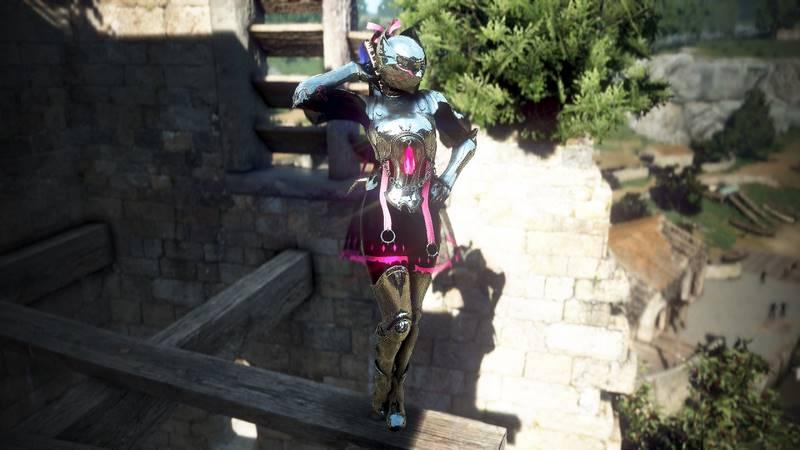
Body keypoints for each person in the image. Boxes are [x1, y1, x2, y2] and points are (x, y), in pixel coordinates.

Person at [292, 20, 477, 431]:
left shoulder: (433, 102)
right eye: (406, 64)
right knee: (399, 320)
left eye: (418, 65)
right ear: (386, 63)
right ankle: (379, 392)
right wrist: (351, 70)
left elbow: (467, 139)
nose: (415, 71)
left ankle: (397, 397)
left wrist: (447, 179)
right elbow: (303, 95)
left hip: (424, 222)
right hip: (381, 219)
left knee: (415, 320)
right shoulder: (367, 106)